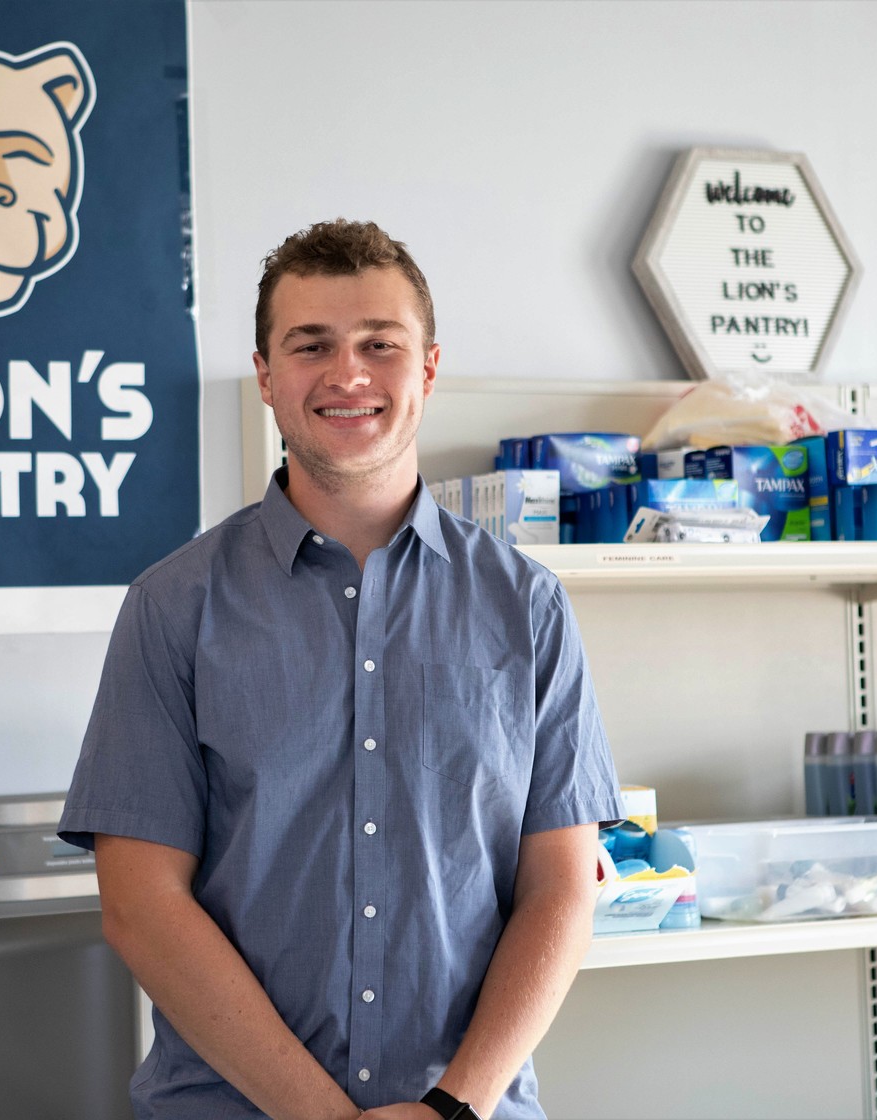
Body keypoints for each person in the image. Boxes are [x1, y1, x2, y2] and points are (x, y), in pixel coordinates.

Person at [59, 219, 620, 1120]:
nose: (348, 374)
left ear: (428, 370)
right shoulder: (172, 607)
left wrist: (450, 1108)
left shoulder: (530, 608)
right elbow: (140, 905)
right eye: (311, 345)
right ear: (267, 376)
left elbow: (561, 890)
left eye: (380, 346)